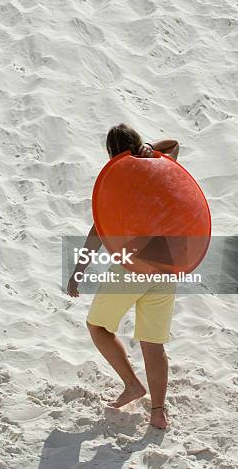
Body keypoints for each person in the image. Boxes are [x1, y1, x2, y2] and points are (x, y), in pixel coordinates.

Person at [67, 123, 180, 429]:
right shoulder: (159, 170)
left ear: (110, 153)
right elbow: (175, 146)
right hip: (166, 267)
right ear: (138, 143)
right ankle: (158, 411)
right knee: (153, 343)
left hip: (133, 267)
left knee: (98, 326)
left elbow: (98, 232)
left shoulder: (115, 183)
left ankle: (132, 385)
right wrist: (151, 151)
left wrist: (79, 270)